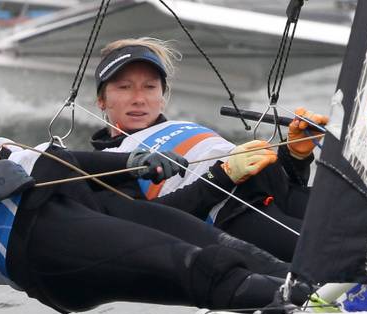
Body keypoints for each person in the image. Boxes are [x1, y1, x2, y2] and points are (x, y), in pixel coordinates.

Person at [0, 60, 308, 314]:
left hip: (79, 201)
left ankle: (326, 291)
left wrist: (133, 163)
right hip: (38, 244)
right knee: (193, 266)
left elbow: (50, 162)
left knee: (221, 245)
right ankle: (312, 312)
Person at [90, 38, 328, 262]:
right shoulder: (106, 163)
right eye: (124, 87)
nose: (139, 99)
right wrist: (223, 175)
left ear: (162, 96)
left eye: (150, 87)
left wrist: (296, 156)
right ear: (101, 99)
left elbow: (289, 183)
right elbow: (147, 224)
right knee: (337, 251)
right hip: (235, 216)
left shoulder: (182, 124)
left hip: (276, 192)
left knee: (360, 219)